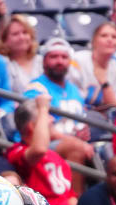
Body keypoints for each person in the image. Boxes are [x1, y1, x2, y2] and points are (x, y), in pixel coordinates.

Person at [22, 38, 91, 192]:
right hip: (43, 145)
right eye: (53, 57)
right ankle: (76, 201)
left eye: (64, 57)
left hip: (71, 141)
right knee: (76, 148)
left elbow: (81, 119)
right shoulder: (36, 88)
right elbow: (39, 128)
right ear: (44, 61)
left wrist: (84, 132)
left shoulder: (74, 89)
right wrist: (76, 141)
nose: (59, 61)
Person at [8, 97, 75, 205]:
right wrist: (43, 108)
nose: (52, 119)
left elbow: (70, 197)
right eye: (46, 116)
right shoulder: (16, 151)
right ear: (32, 126)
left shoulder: (55, 156)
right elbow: (39, 149)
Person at [69, 21, 116, 113]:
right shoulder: (77, 60)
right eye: (104, 36)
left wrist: (104, 83)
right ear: (94, 41)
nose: (110, 40)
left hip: (104, 120)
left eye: (114, 37)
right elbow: (69, 97)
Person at [0, 14, 40, 90]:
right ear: (5, 40)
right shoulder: (2, 65)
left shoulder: (42, 62)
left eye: (25, 32)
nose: (21, 37)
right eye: (15, 34)